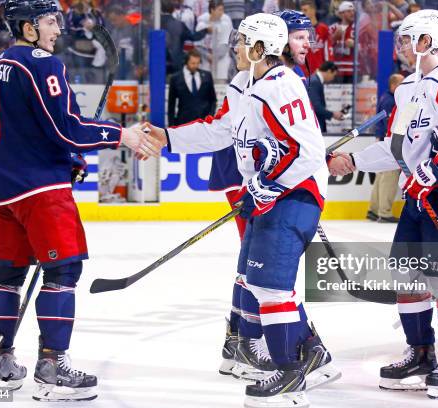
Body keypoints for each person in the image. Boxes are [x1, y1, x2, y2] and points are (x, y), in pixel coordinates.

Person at [145, 13, 338, 408]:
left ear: (258, 49)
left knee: (271, 287)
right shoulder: (250, 85)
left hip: (292, 197)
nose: (233, 48)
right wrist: (168, 137)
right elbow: (220, 130)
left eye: (241, 42)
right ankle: (306, 353)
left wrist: (267, 186)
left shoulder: (281, 86)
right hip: (274, 196)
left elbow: (309, 151)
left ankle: (288, 371)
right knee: (255, 279)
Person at [0, 0, 157, 401]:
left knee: (6, 273)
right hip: (40, 190)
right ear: (27, 28)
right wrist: (120, 135)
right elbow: (67, 128)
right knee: (63, 271)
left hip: (3, 188)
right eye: (48, 21)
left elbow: (32, 128)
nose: (57, 28)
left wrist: (67, 158)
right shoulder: (42, 63)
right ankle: (52, 367)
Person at [329, 9, 438, 398]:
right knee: (407, 274)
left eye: (407, 38)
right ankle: (420, 352)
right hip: (419, 193)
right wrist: (354, 160)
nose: (401, 46)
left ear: (427, 41)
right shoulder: (408, 88)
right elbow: (399, 148)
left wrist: (431, 175)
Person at [366, 72, 403, 223]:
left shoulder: (385, 98)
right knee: (389, 176)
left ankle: (373, 210)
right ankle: (384, 212)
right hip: (389, 142)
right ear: (393, 85)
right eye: (401, 84)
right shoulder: (391, 101)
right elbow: (390, 125)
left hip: (382, 140)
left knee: (381, 176)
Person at [167, 49, 217, 126]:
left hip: (204, 123)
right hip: (183, 123)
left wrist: (210, 116)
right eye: (193, 63)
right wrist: (171, 126)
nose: (195, 66)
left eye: (198, 63)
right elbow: (171, 105)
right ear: (186, 62)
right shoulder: (175, 79)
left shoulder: (207, 76)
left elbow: (213, 99)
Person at [308, 61, 344, 133]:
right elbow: (315, 106)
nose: (333, 78)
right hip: (314, 125)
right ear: (329, 71)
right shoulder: (314, 82)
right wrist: (333, 114)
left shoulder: (315, 80)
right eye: (333, 75)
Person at [300, 0, 332, 76]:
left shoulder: (324, 29)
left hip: (319, 73)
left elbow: (328, 53)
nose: (303, 13)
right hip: (302, 74)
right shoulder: (298, 31)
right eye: (301, 10)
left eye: (305, 10)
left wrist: (327, 69)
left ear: (313, 11)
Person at [329, 1, 355, 83]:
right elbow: (326, 45)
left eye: (353, 11)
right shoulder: (333, 28)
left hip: (352, 70)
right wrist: (334, 38)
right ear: (341, 14)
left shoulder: (357, 28)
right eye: (349, 11)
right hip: (336, 69)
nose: (352, 13)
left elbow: (366, 46)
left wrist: (355, 44)